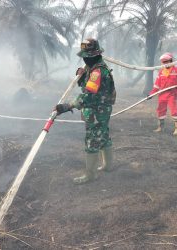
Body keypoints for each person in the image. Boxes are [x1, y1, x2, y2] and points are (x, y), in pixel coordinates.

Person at [54, 38, 116, 184]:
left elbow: (88, 95)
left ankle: (90, 175)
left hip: (97, 110)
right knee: (104, 135)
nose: (84, 60)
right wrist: (82, 76)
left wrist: (68, 106)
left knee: (92, 140)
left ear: (93, 56)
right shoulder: (95, 68)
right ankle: (108, 166)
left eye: (86, 57)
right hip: (102, 109)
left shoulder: (97, 72)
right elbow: (87, 86)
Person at [148, 53, 177, 135]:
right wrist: (151, 94)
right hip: (162, 94)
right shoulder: (161, 72)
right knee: (160, 110)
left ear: (171, 61)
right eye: (163, 62)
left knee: (174, 110)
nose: (165, 63)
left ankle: (176, 129)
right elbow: (156, 86)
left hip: (172, 94)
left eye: (166, 61)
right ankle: (161, 127)